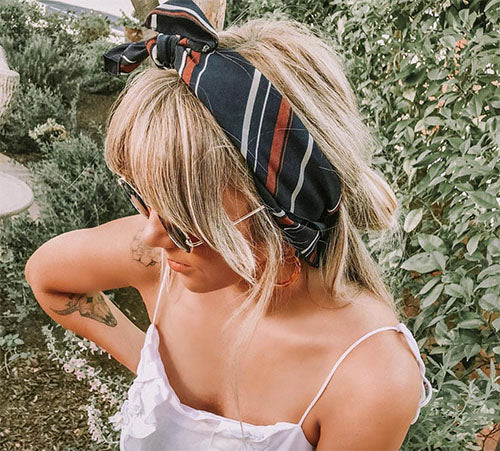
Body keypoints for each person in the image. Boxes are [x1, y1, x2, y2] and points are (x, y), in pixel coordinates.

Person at [25, 1, 432, 449]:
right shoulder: (160, 263)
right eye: (141, 199)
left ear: (285, 212)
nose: (150, 235)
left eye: (187, 221)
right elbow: (47, 277)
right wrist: (149, 363)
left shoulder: (368, 375)